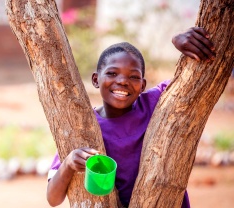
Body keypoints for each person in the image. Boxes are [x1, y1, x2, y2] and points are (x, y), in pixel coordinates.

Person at [46, 27, 215, 207]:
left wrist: (179, 41)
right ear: (96, 80)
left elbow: (192, 79)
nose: (123, 81)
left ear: (142, 85)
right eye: (112, 73)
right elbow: (53, 198)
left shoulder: (155, 102)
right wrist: (68, 163)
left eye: (133, 77)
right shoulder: (85, 127)